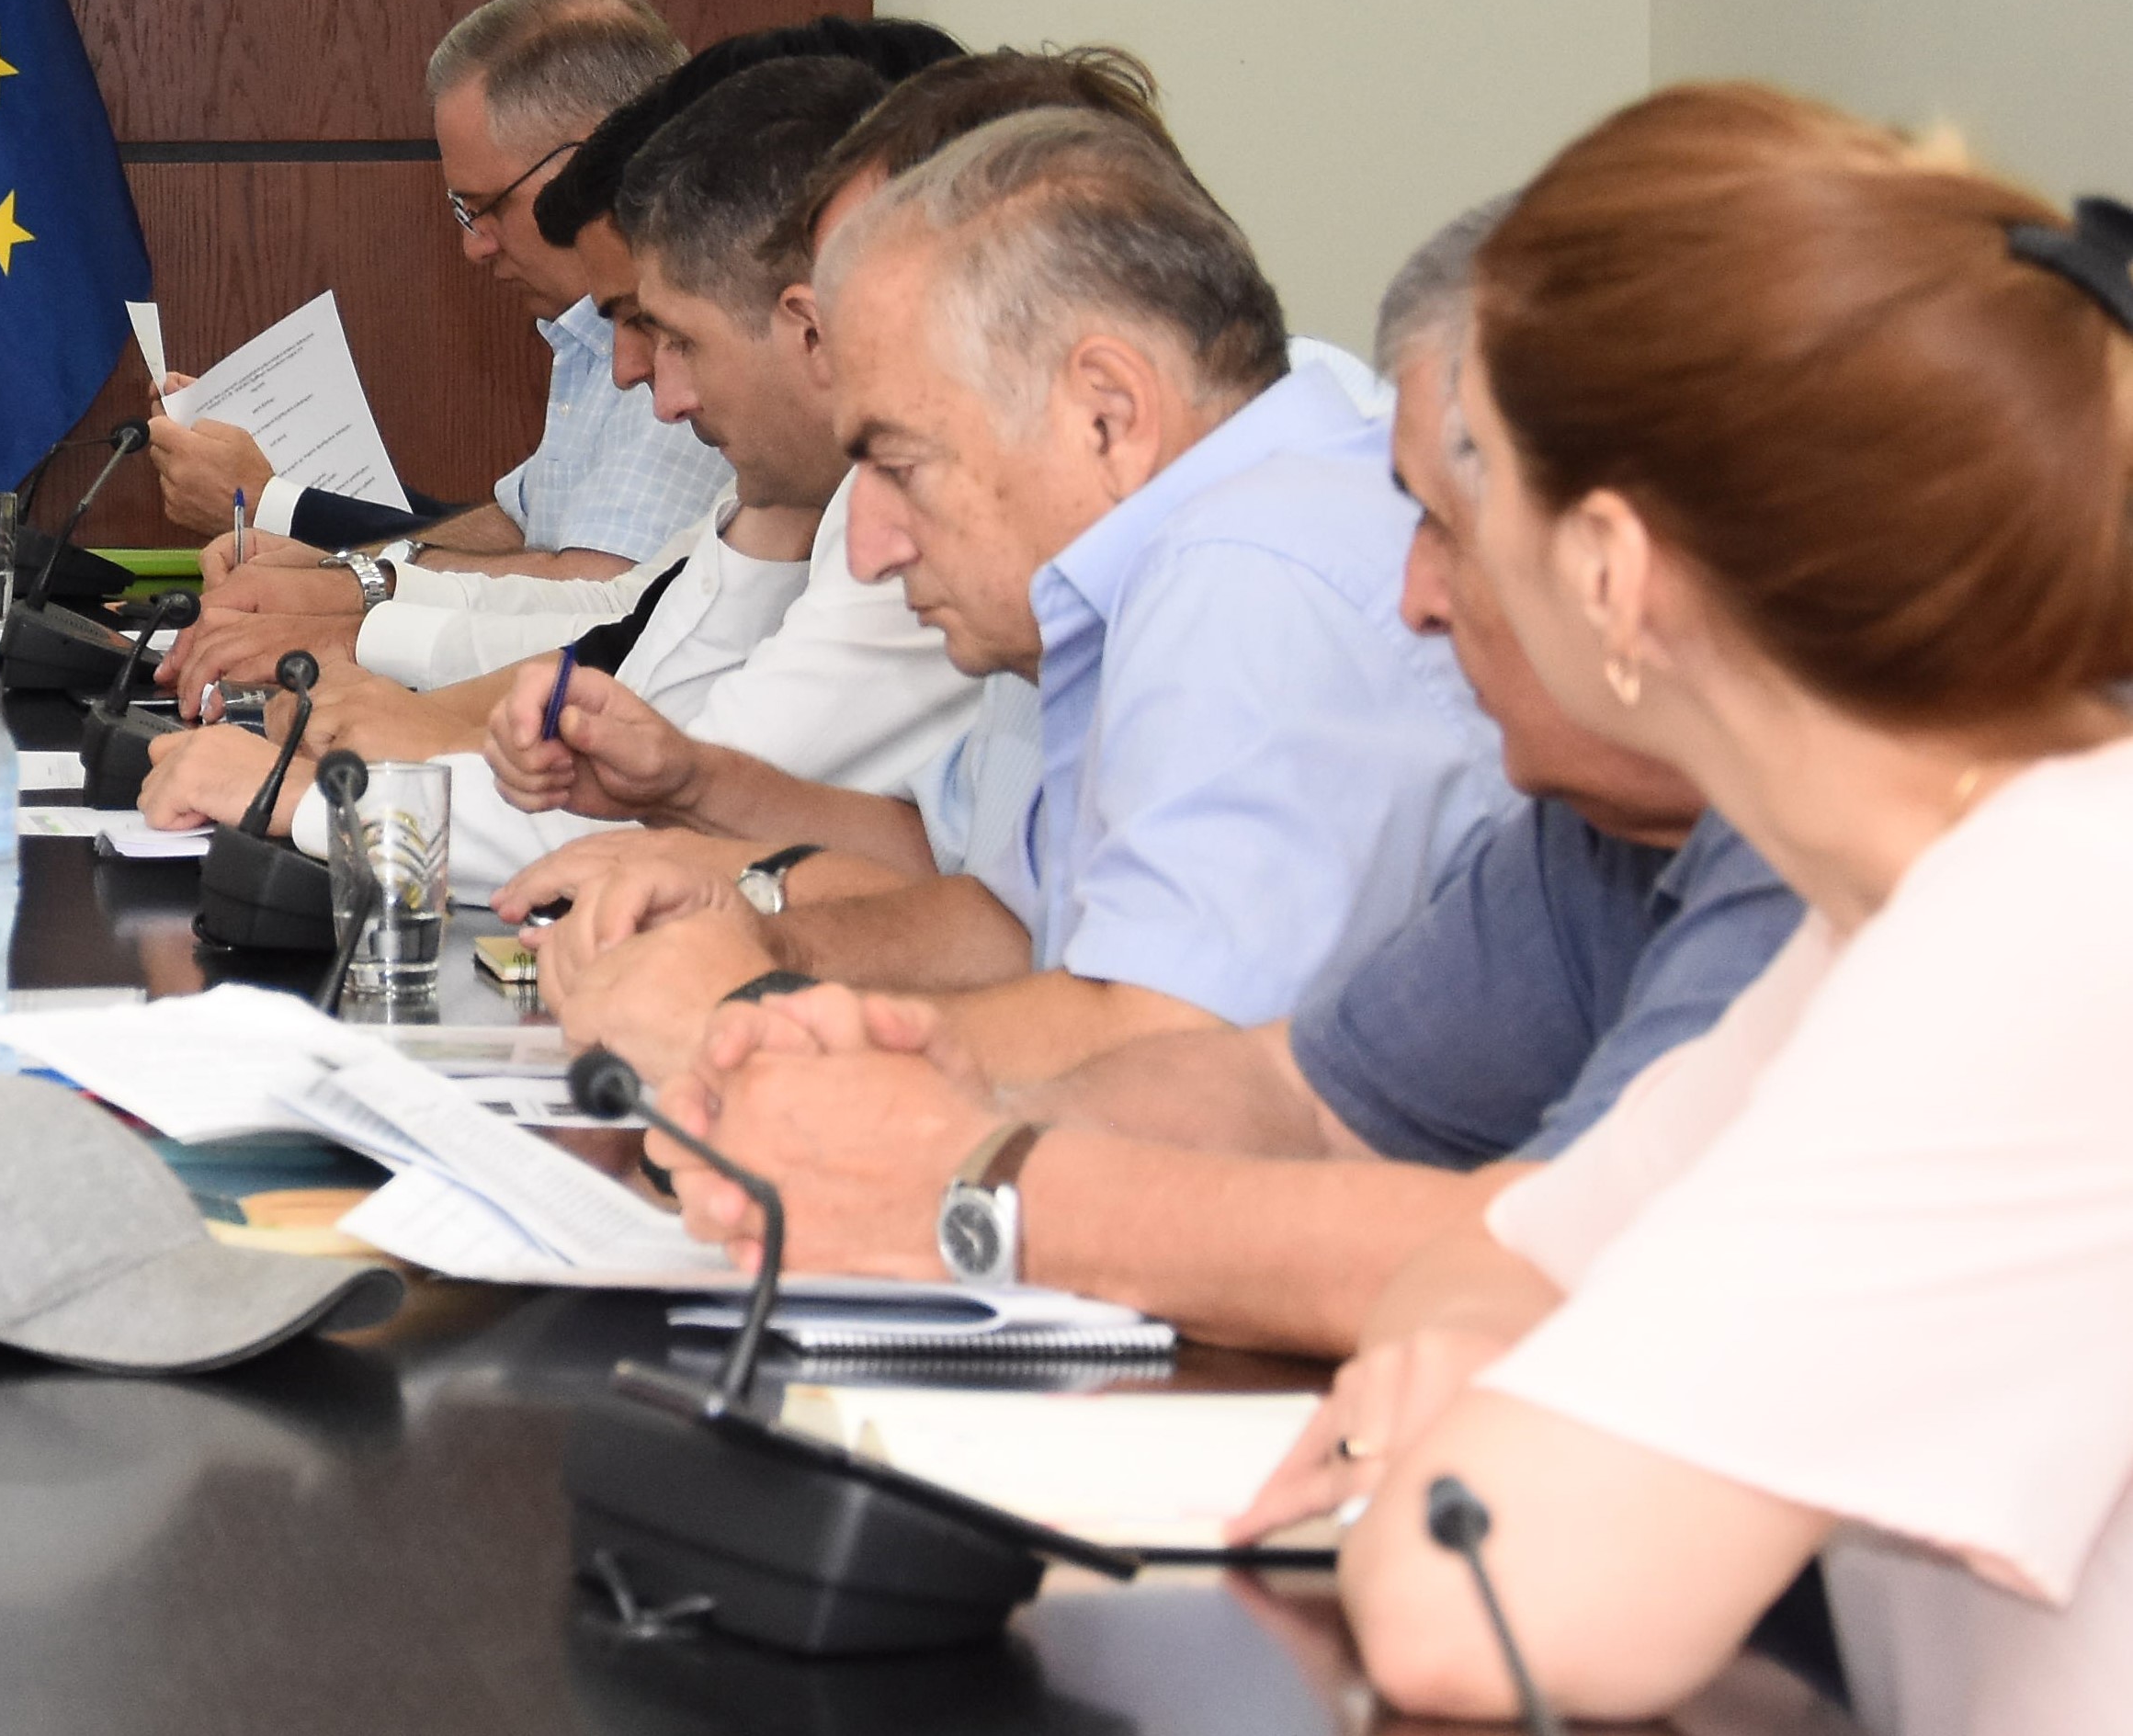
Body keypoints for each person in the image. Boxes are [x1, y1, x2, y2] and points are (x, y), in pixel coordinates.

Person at [1228, 86, 2133, 1731]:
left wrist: (1459, 1424)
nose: (1424, 576)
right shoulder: (1893, 898)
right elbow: (1488, 1255)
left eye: (1473, 479)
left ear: (1612, 570)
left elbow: (1472, 1604)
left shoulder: (2048, 915)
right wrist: (1461, 1365)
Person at [634, 191, 1799, 1355]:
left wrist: (974, 1184)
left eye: (1442, 527)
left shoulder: (1816, 843)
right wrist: (953, 1116)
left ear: (1619, 562)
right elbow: (1298, 1096)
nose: (1412, 598)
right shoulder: (1597, 826)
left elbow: (1565, 1268)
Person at [528, 108, 1509, 1086]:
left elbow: (1169, 1054)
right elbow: (1013, 928)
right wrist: (760, 943)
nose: (870, 551)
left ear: (1106, 415)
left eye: (901, 466)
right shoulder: (1160, 561)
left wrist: (745, 1017)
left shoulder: (1254, 574)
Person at [139, 55, 913, 865]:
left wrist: (320, 794)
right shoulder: (793, 493)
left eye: (670, 334)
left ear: (811, 328)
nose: (648, 383)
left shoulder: (887, 520)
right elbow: (640, 655)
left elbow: (689, 812)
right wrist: (373, 639)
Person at [142, 0, 724, 580]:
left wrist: (297, 533)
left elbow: (595, 590)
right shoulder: (585, 336)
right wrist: (300, 521)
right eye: (461, 210)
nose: (474, 246)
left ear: (587, 167)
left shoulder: (687, 339)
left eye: (488, 206)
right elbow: (519, 530)